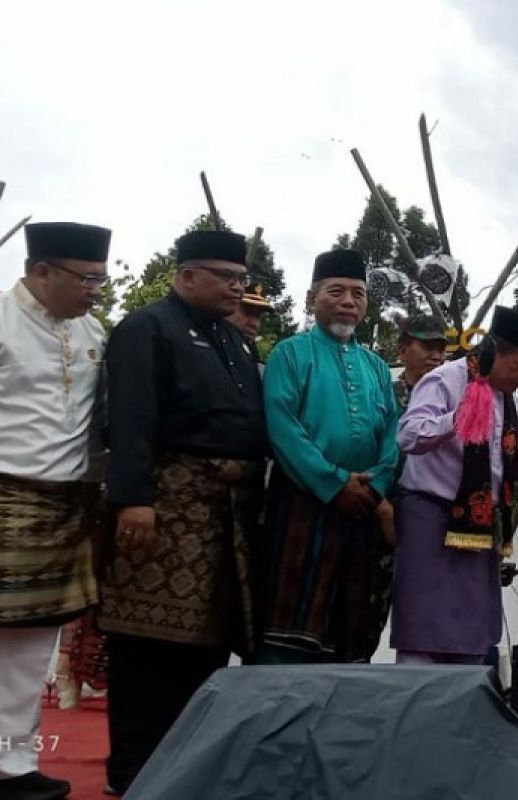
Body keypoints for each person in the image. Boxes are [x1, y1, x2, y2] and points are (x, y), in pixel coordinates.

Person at [99, 229, 268, 795]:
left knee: (208, 642)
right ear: (187, 274)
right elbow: (130, 420)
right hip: (165, 502)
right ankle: (132, 772)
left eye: (240, 279)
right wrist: (134, 500)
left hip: (227, 514)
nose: (236, 289)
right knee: (146, 643)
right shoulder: (147, 328)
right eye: (226, 277)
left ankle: (187, 767)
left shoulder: (236, 340)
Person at [391, 306, 518, 664]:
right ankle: (416, 712)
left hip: (479, 524)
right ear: (494, 352)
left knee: (474, 634)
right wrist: (458, 418)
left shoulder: (505, 400)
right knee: (425, 631)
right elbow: (408, 435)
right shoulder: (446, 380)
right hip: (431, 520)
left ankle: (466, 710)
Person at [0, 222, 110, 800]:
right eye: (87, 277)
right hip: (3, 491)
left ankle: (13, 765)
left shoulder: (92, 330)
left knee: (32, 638)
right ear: (40, 271)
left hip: (65, 500)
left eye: (101, 277)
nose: (97, 288)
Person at [255, 249, 398, 664]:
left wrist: (377, 487)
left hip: (362, 510)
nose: (349, 301)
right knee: (290, 630)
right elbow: (283, 428)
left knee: (351, 629)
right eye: (336, 291)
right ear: (312, 297)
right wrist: (334, 483)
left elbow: (392, 436)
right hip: (304, 504)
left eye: (358, 293)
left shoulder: (375, 366)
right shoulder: (290, 353)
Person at [390, 313, 448, 498]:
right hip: (385, 499)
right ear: (402, 351)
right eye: (428, 348)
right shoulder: (382, 394)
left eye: (441, 350)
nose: (437, 356)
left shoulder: (453, 398)